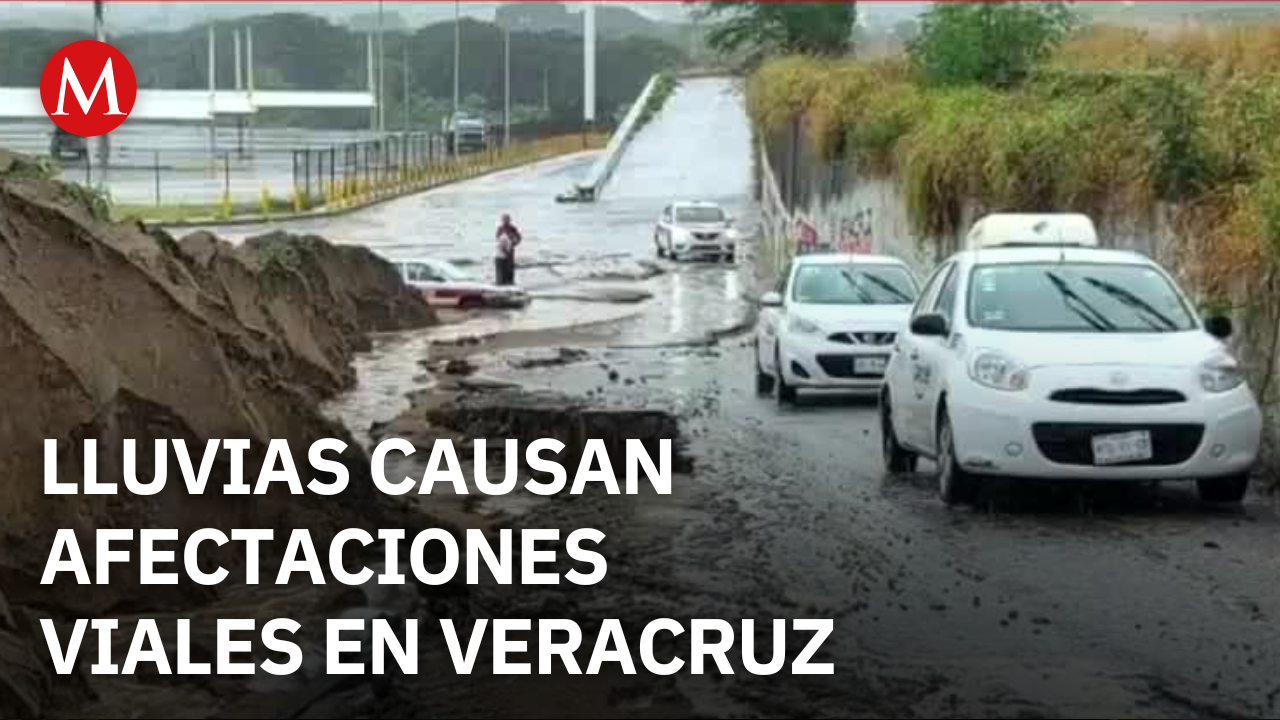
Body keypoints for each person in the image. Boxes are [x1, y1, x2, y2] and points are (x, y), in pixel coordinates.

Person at [495, 213, 522, 286]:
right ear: (502, 220)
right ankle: (500, 284)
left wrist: (514, 243)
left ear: (509, 220)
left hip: (510, 252)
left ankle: (510, 284)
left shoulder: (513, 228)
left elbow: (519, 238)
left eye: (507, 219)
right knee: (501, 271)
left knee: (510, 270)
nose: (506, 221)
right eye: (504, 220)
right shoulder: (500, 229)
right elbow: (498, 240)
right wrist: (504, 248)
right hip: (501, 253)